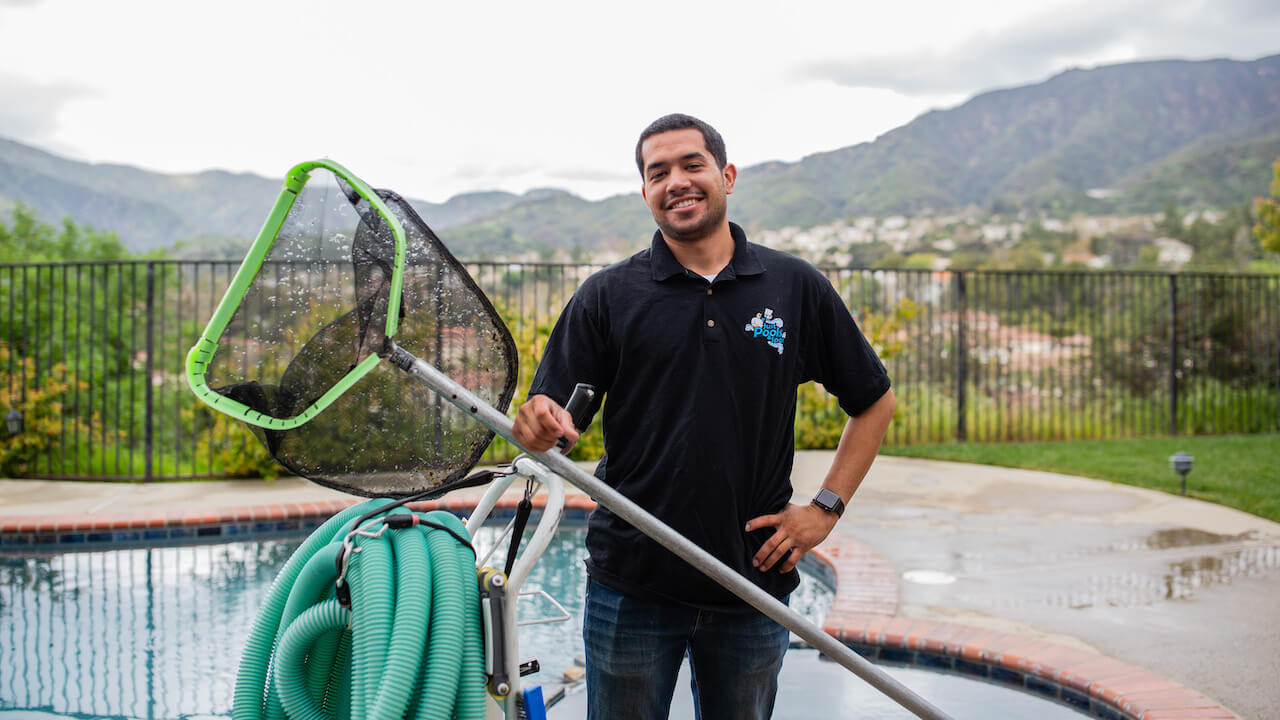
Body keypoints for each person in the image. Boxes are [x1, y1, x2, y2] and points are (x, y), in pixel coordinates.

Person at [511, 113, 895, 720]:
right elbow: (548, 418)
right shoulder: (608, 296)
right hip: (631, 585)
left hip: (752, 585)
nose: (676, 182)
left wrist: (825, 509)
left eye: (692, 164)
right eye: (657, 172)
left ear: (727, 175)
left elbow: (873, 401)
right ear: (645, 193)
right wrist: (535, 425)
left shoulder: (794, 286)